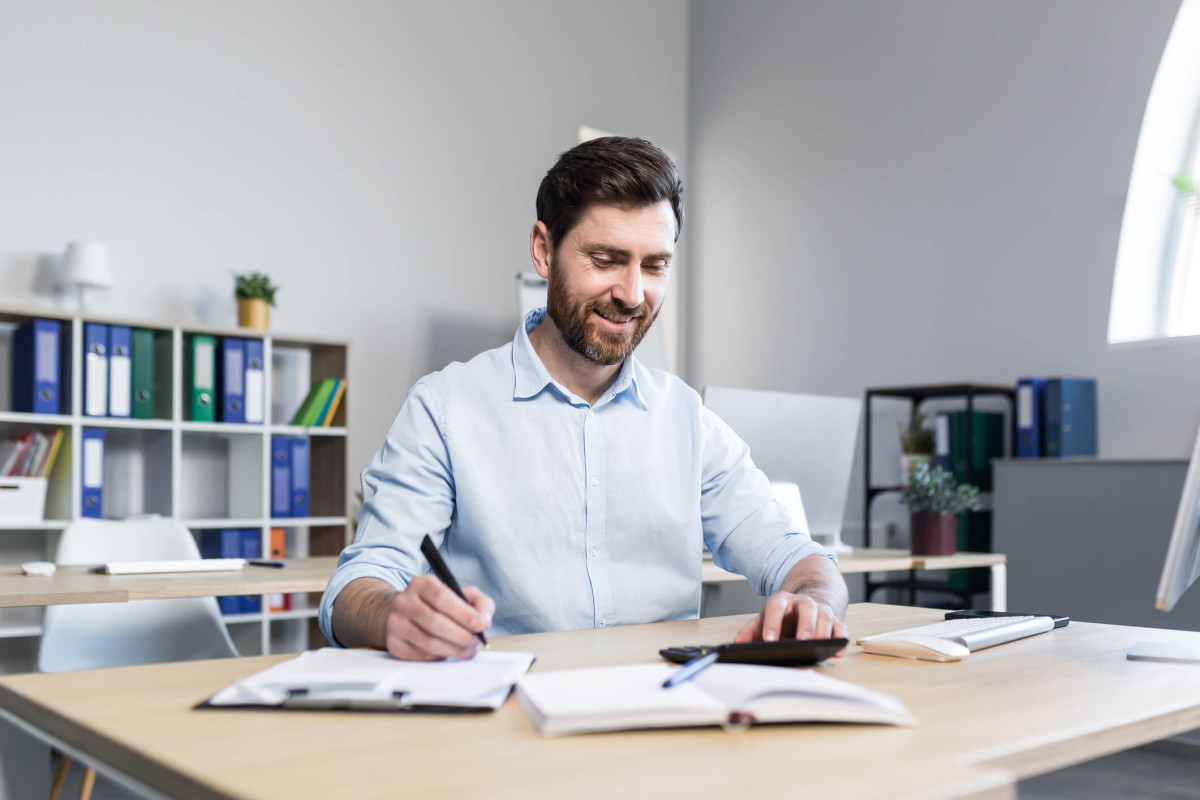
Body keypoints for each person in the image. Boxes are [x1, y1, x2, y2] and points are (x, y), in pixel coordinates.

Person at [320, 136, 848, 661]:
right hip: (505, 716)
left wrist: (815, 601)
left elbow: (796, 556)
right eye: (605, 259)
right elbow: (358, 586)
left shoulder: (686, 418)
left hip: (664, 710)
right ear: (543, 250)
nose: (632, 293)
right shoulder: (445, 408)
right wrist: (394, 616)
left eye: (656, 265)